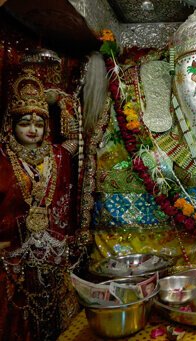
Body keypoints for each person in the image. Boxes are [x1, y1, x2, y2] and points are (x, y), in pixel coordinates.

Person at [0, 69, 82, 340]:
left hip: (53, 250)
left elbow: (76, 140)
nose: (33, 129)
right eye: (25, 123)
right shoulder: (3, 159)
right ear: (11, 126)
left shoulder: (57, 155)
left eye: (39, 124)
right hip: (14, 254)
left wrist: (61, 101)